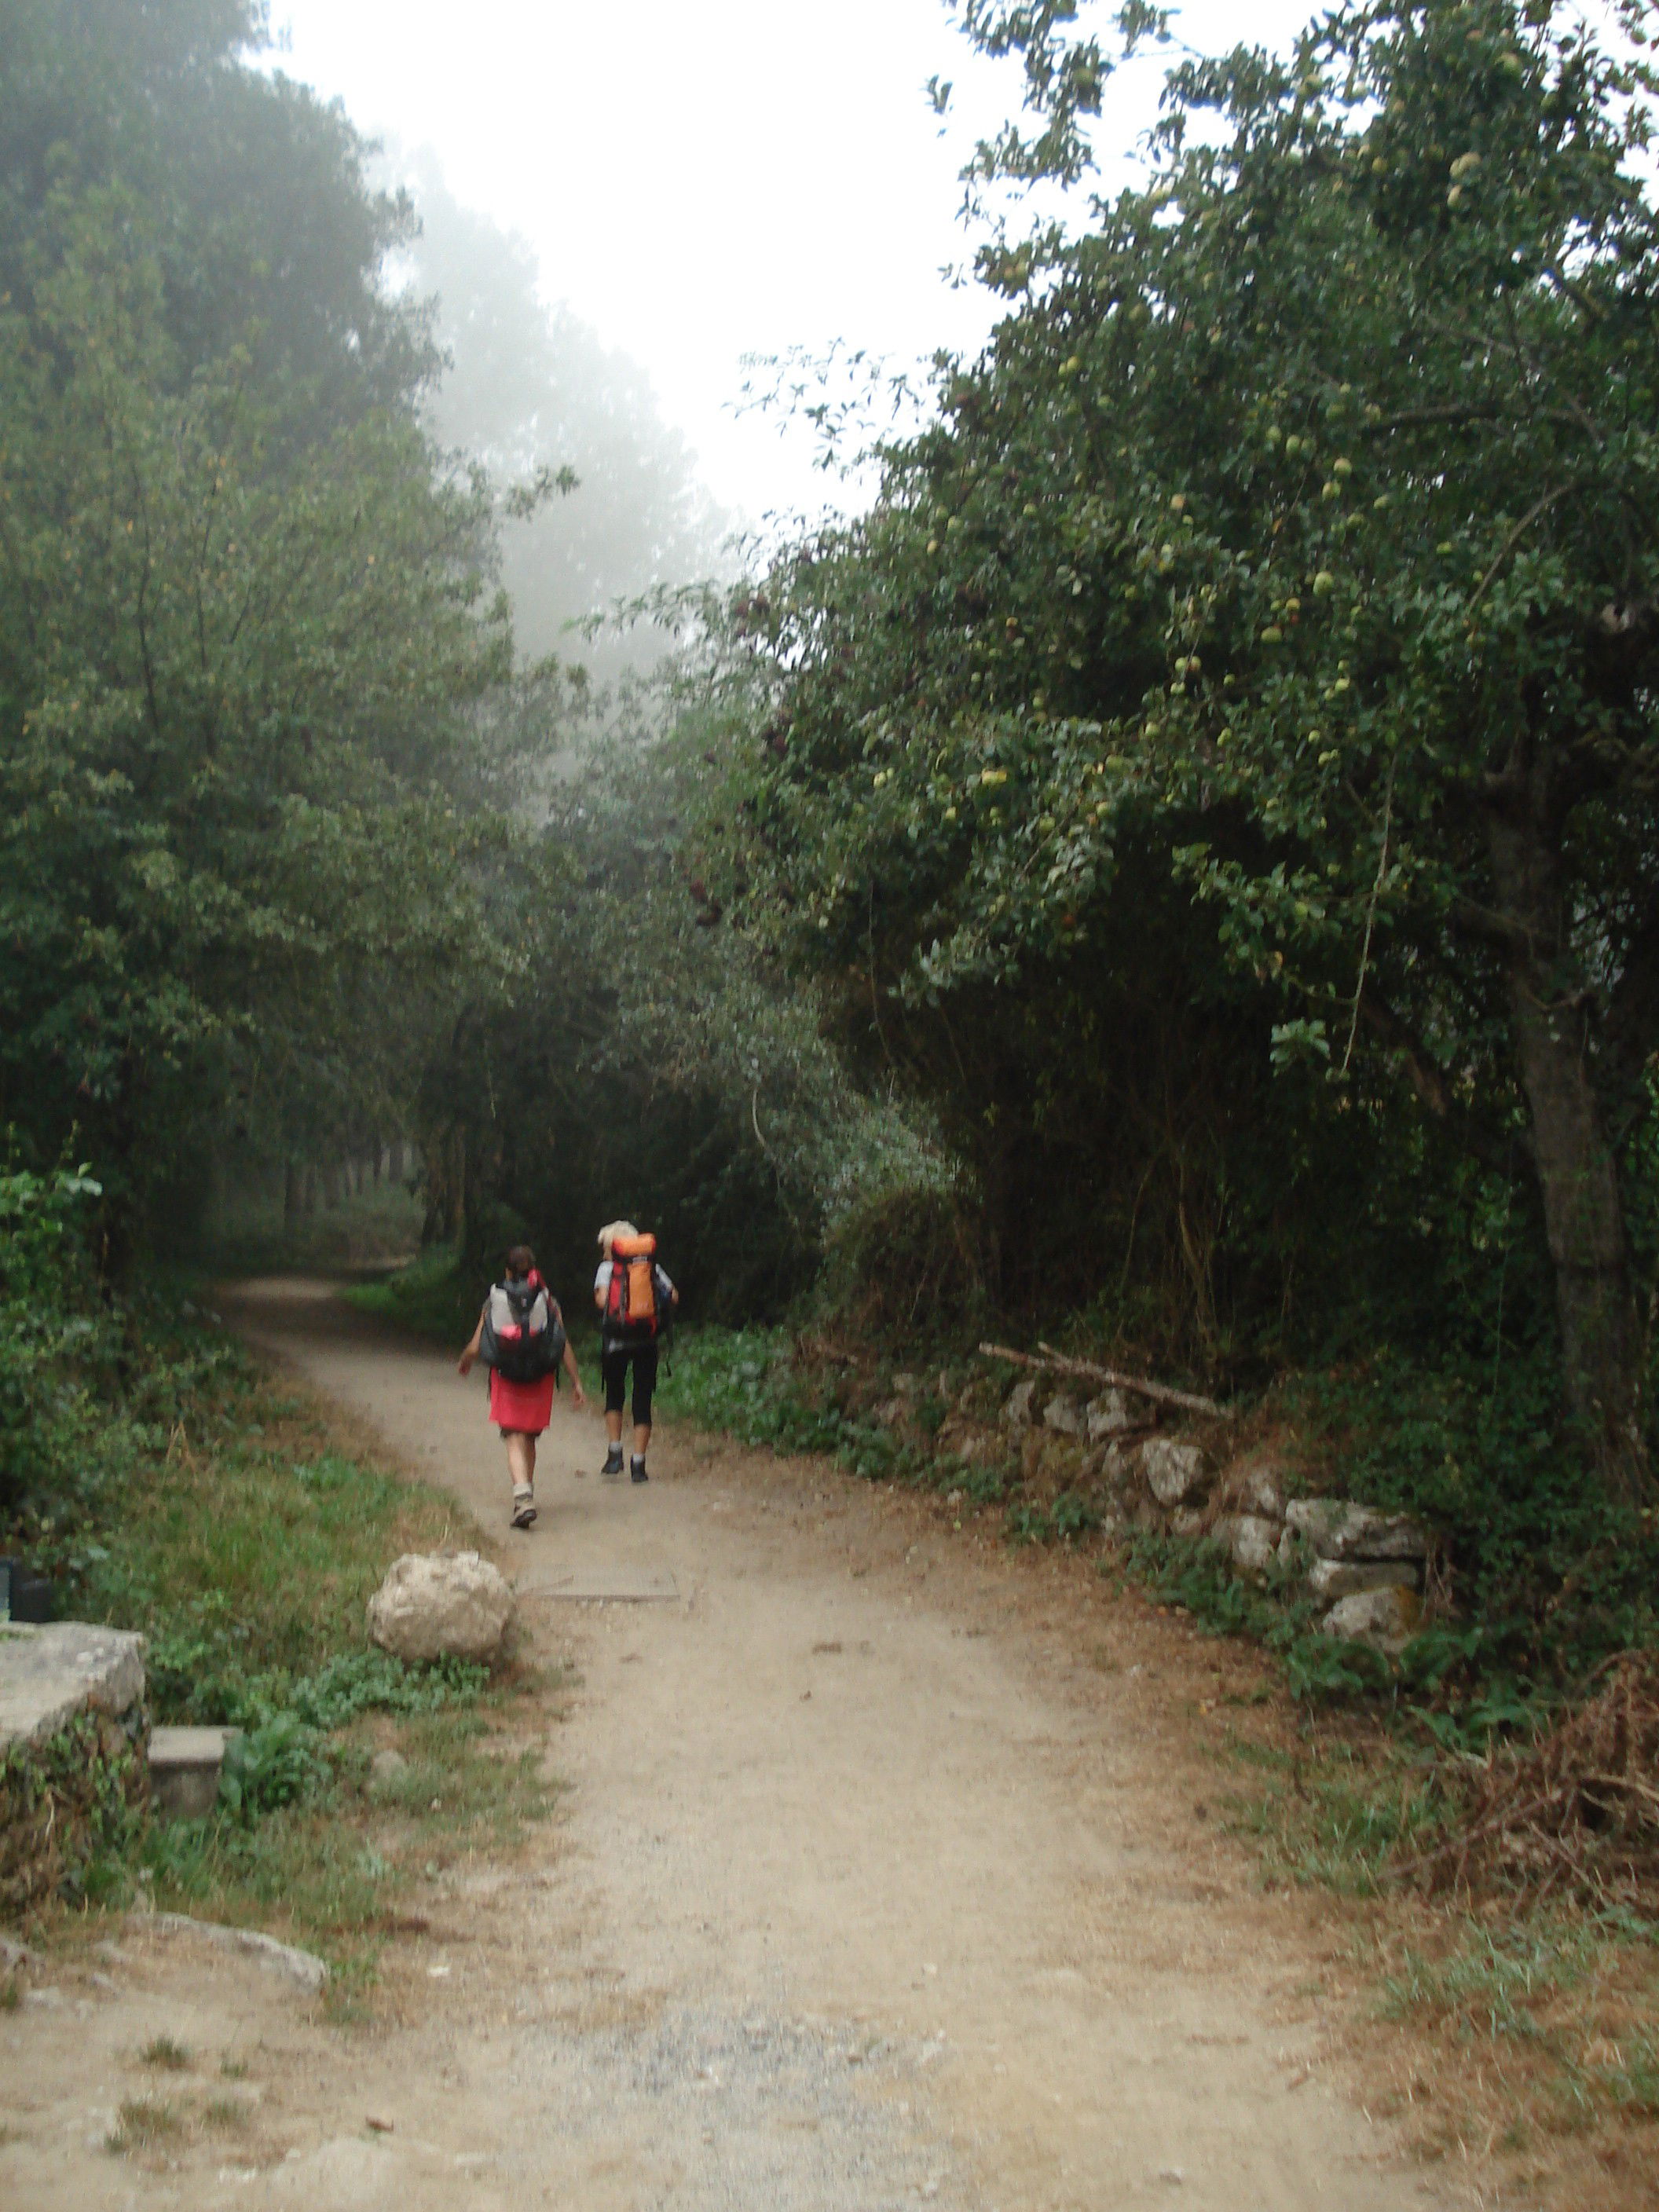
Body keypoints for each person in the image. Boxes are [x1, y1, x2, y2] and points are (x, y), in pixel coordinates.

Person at [458, 1244, 587, 1528]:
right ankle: (526, 1492)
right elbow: (561, 1343)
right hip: (540, 1376)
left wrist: (466, 1360)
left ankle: (523, 1496)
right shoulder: (548, 1300)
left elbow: (478, 1343)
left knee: (513, 1437)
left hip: (507, 1376)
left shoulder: (495, 1298)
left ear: (507, 1270)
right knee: (527, 1437)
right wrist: (576, 1382)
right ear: (534, 1270)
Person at [593, 1220, 677, 1483]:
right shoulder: (650, 1267)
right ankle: (639, 1464)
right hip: (646, 1340)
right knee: (642, 1399)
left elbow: (601, 1301)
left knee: (615, 1395)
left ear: (611, 1246)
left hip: (616, 1342)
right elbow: (673, 1296)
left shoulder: (607, 1269)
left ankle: (615, 1453)